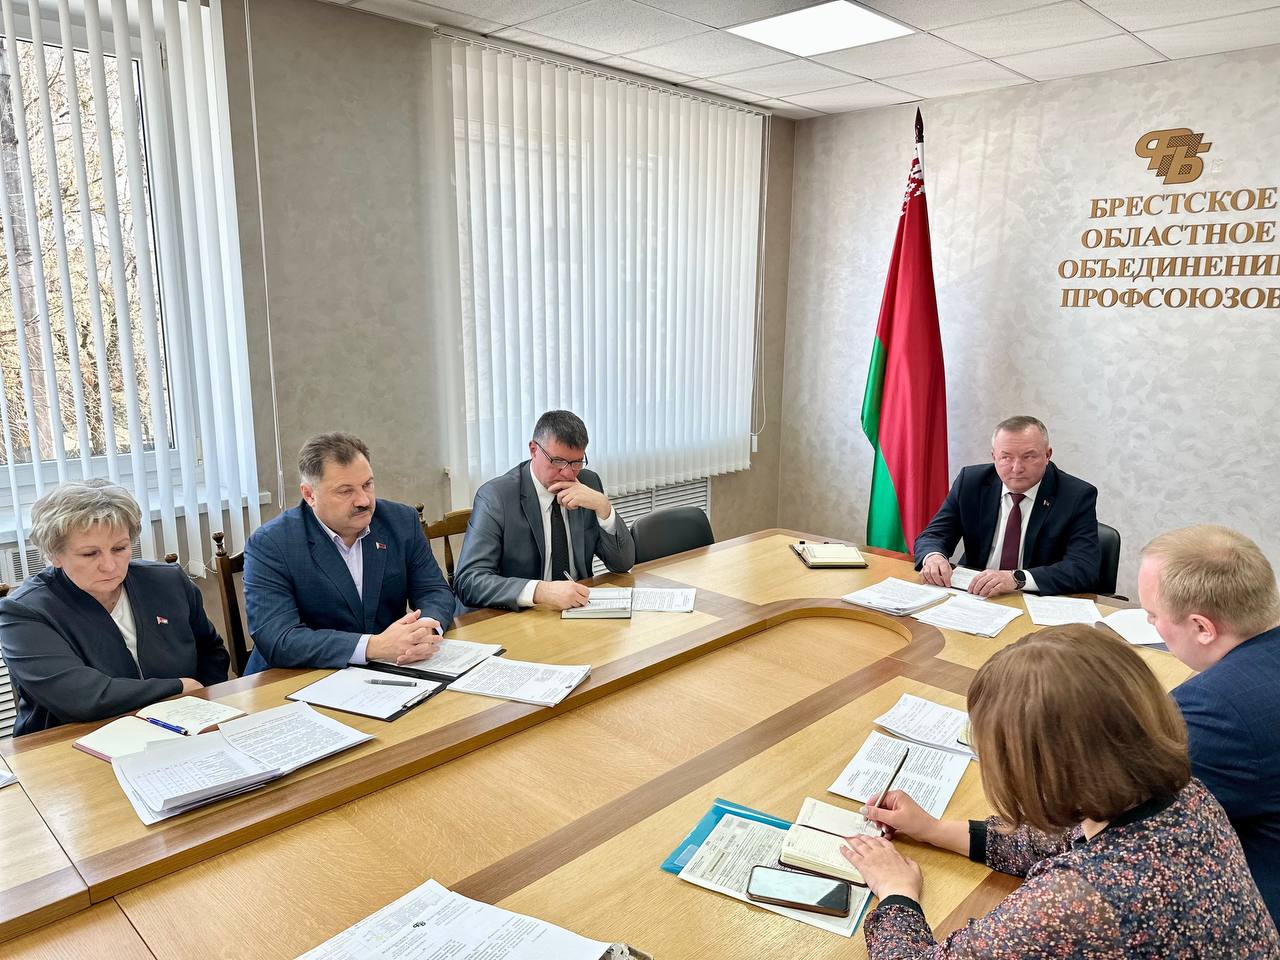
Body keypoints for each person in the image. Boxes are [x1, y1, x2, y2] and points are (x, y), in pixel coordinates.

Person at [842, 625, 1279, 958]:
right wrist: (935, 830)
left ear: (1034, 769)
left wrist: (896, 889)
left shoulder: (1078, 901)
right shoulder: (1184, 796)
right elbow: (1061, 839)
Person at [0, 479, 229, 737]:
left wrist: (202, 710)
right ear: (54, 555)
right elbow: (81, 697)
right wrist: (178, 687)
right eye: (90, 554)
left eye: (120, 548)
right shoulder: (24, 612)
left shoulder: (168, 582)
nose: (110, 566)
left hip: (183, 729)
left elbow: (211, 653)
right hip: (70, 743)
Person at [1138, 525, 1280, 925]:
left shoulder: (1213, 709)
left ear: (1202, 628)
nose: (1150, 622)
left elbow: (1130, 831)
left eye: (1153, 615)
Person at [242, 433, 453, 674]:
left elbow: (434, 591)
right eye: (345, 491)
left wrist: (425, 629)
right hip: (298, 677)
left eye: (367, 485)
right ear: (309, 495)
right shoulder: (271, 544)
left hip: (390, 667)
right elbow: (279, 638)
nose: (363, 500)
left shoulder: (401, 521)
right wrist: (372, 646)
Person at [452, 410, 634, 612]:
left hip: (575, 612)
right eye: (558, 461)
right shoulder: (496, 497)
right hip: (513, 615)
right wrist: (540, 591)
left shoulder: (588, 483)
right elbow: (469, 581)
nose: (568, 473)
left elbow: (622, 564)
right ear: (533, 450)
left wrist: (604, 508)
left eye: (576, 463)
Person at [914, 416, 1099, 597]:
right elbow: (933, 535)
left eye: (1028, 456)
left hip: (1033, 599)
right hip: (974, 594)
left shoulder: (1076, 495)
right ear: (994, 456)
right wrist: (934, 557)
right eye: (1006, 457)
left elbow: (1083, 568)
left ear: (1047, 455)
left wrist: (1016, 579)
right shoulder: (971, 482)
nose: (1017, 468)